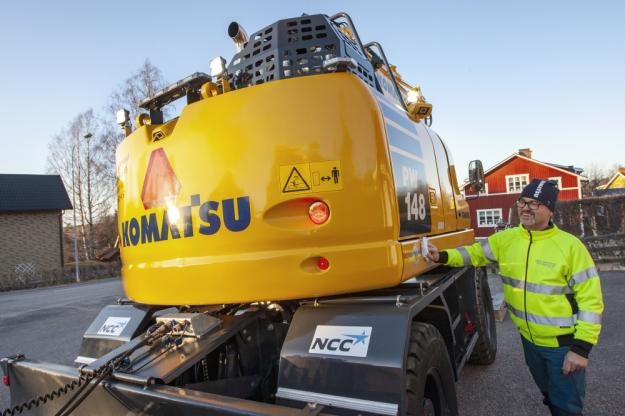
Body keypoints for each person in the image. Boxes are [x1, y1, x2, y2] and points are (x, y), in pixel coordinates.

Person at [426, 179, 603, 416]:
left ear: (550, 209)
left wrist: (581, 349)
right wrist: (443, 256)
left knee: (567, 407)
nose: (526, 208)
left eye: (535, 204)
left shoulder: (570, 247)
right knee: (549, 395)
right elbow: (474, 254)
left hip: (563, 345)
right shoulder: (506, 239)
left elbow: (591, 301)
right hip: (529, 341)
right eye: (523, 202)